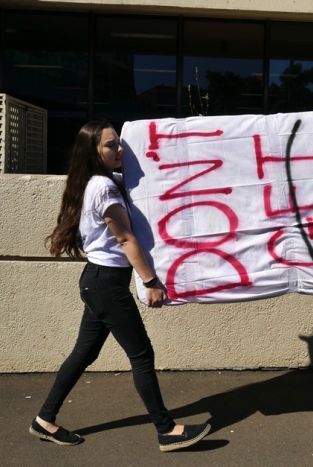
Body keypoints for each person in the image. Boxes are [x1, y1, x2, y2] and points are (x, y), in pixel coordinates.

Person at [28, 120, 210, 452]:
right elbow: (125, 238)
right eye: (110, 145)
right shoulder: (105, 188)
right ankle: (166, 429)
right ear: (93, 152)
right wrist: (150, 281)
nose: (119, 150)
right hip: (106, 285)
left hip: (98, 282)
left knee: (84, 353)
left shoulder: (100, 182)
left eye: (119, 144)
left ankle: (44, 420)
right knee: (141, 354)